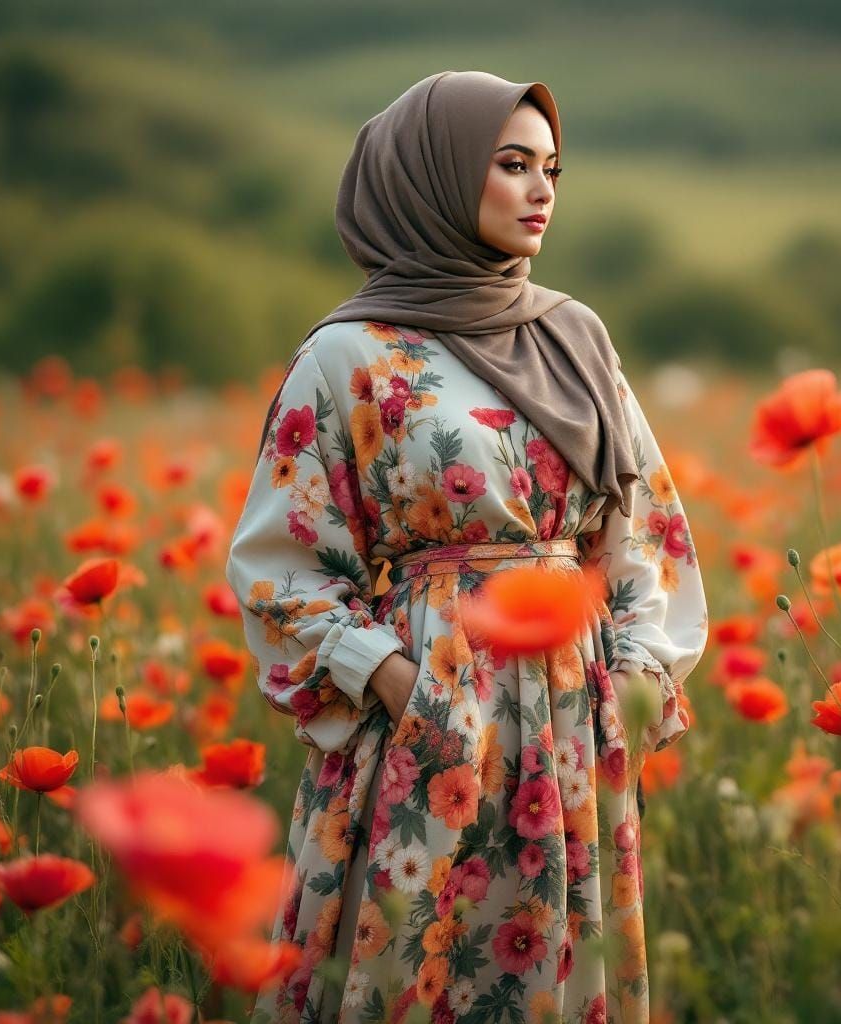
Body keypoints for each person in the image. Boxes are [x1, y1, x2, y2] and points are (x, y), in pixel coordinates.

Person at [225, 70, 708, 1024]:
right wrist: (400, 685)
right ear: (435, 176)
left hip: (573, 726)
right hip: (422, 725)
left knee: (553, 975)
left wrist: (633, 684)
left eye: (552, 170)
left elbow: (643, 526)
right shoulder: (348, 354)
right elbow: (282, 567)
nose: (541, 191)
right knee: (414, 967)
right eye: (513, 164)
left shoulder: (574, 337)